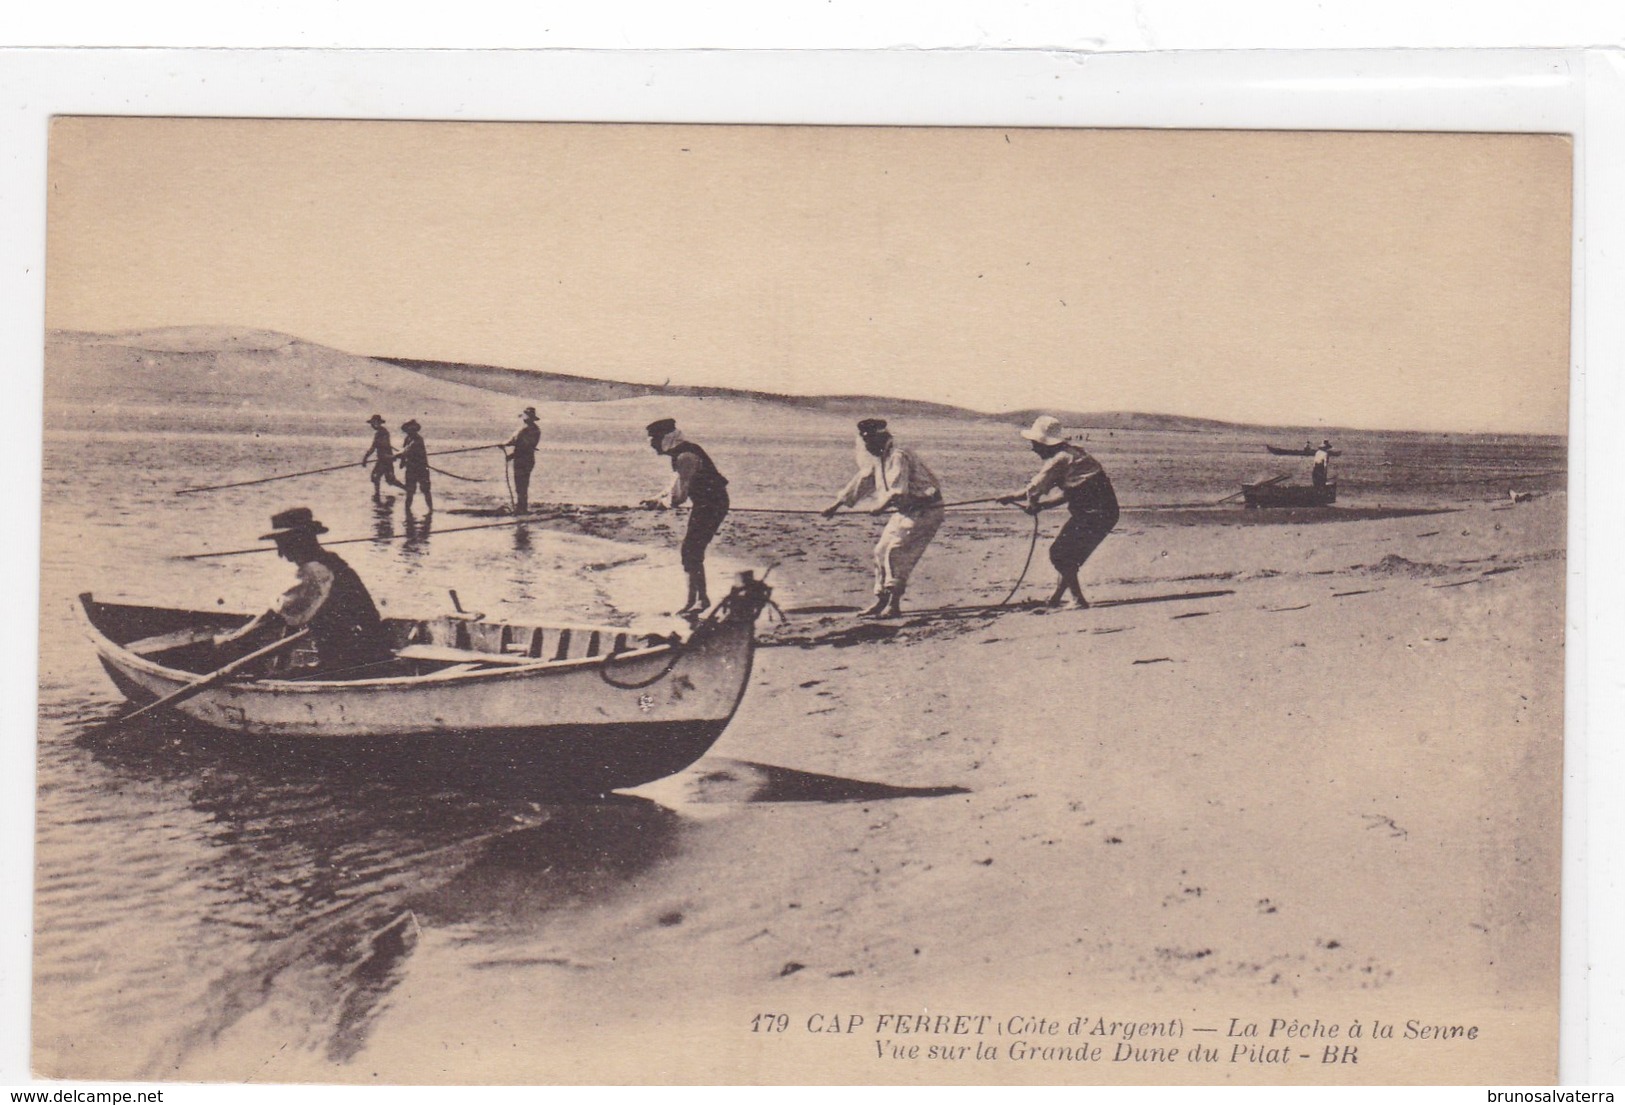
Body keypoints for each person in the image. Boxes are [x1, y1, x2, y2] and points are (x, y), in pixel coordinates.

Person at [215, 507, 392, 675]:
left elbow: (276, 617)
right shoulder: (328, 563)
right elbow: (292, 617)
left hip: (353, 664)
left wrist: (235, 639)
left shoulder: (316, 572)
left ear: (299, 541)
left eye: (283, 544)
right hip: (359, 657)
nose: (281, 553)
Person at [821, 418, 946, 618]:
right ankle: (881, 601)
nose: (867, 446)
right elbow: (863, 481)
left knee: (896, 551)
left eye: (870, 441)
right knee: (880, 551)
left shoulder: (898, 455)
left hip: (926, 510)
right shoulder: (878, 457)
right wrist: (836, 506)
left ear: (881, 438)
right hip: (905, 511)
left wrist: (880, 506)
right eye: (865, 442)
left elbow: (897, 490)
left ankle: (894, 604)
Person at [998, 415, 1119, 610]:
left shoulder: (1059, 460)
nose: (1033, 448)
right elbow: (1072, 494)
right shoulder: (1075, 454)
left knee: (1059, 554)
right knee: (1069, 556)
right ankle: (1056, 599)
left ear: (1044, 443)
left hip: (1094, 513)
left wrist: (1009, 497)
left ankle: (1078, 600)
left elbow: (1032, 489)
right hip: (1104, 512)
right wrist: (1041, 506)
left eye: (1035, 443)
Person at [640, 417, 730, 615]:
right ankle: (695, 601)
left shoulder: (685, 457)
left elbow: (679, 496)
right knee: (690, 552)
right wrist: (656, 498)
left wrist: (661, 504)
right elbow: (674, 484)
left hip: (712, 505)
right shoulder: (681, 453)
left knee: (691, 551)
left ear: (665, 439)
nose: (653, 447)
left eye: (654, 441)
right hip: (705, 504)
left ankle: (700, 600)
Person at [502, 406, 542, 513]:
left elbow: (519, 444)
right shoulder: (536, 429)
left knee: (520, 485)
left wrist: (510, 453)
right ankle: (522, 507)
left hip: (522, 459)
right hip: (528, 459)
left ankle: (521, 508)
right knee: (523, 484)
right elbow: (517, 442)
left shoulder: (524, 430)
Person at [360, 414, 406, 499]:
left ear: (377, 423)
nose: (372, 425)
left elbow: (375, 447)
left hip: (385, 459)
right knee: (389, 479)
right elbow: (378, 446)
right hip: (385, 459)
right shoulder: (382, 432)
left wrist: (365, 458)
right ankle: (407, 489)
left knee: (378, 477)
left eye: (373, 423)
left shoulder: (381, 433)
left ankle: (377, 494)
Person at [394, 418, 433, 514]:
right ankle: (407, 512)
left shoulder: (418, 440)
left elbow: (406, 451)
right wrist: (402, 461)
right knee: (410, 491)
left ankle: (431, 510)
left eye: (412, 429)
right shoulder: (407, 439)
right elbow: (404, 451)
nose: (409, 431)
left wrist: (395, 456)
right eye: (408, 429)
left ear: (415, 429)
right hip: (411, 469)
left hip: (422, 469)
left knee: (425, 490)